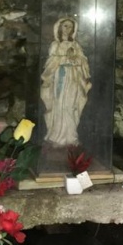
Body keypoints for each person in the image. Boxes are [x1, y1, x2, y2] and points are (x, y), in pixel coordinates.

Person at [40, 17, 91, 147]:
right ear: (59, 27)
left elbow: (83, 61)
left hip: (73, 78)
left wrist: (75, 59)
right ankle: (56, 136)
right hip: (60, 77)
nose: (68, 29)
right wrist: (64, 59)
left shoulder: (76, 45)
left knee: (71, 105)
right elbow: (50, 62)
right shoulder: (55, 45)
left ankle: (71, 136)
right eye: (65, 26)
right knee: (59, 104)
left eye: (70, 27)